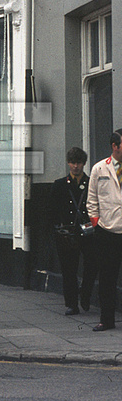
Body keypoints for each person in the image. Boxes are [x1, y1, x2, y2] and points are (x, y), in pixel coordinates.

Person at [50, 147, 97, 315]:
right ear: (68, 163)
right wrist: (57, 229)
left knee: (92, 264)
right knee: (69, 269)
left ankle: (85, 294)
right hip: (67, 233)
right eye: (72, 163)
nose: (75, 166)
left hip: (87, 232)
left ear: (84, 163)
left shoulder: (91, 183)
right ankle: (72, 304)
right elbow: (53, 210)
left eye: (78, 163)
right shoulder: (60, 185)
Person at [86, 129, 122, 331]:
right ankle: (106, 320)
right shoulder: (99, 169)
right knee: (107, 278)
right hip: (106, 232)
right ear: (114, 146)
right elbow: (92, 199)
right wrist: (96, 223)